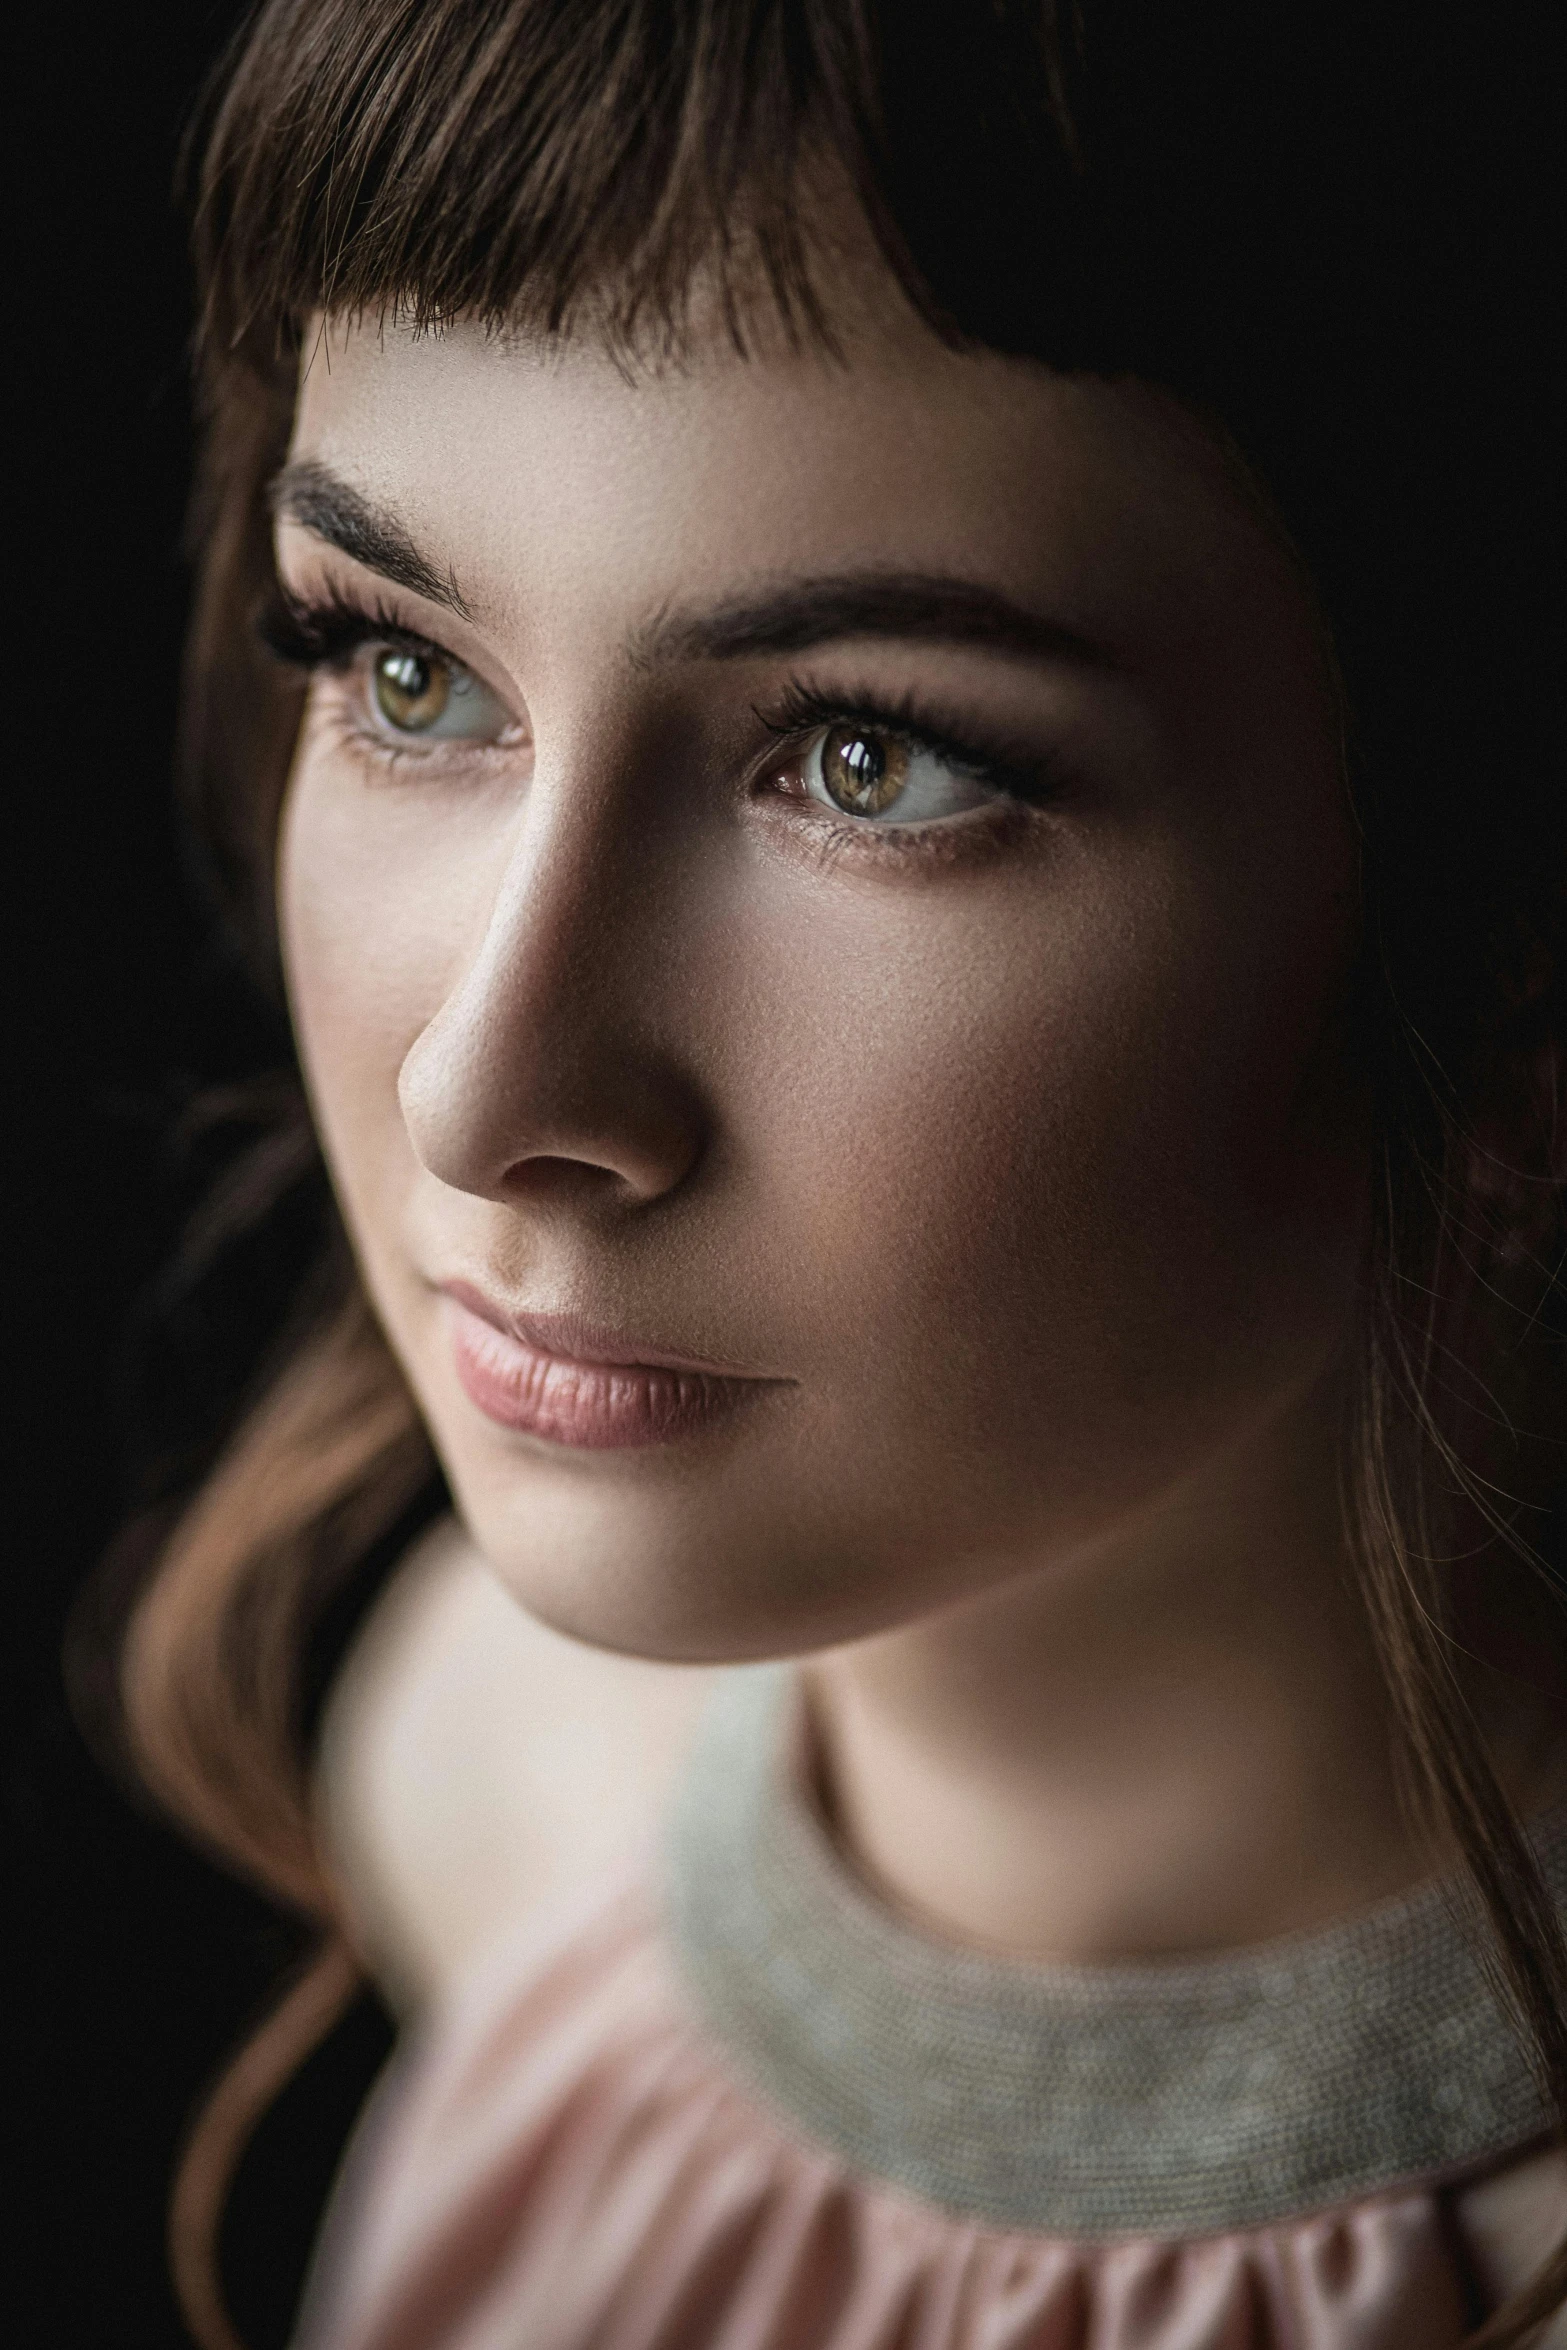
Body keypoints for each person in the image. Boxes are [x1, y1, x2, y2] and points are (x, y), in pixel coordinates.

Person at [109, 1, 1567, 2343]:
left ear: (1508, 934)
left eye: (870, 758)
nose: (483, 1092)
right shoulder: (494, 1771)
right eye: (402, 674)